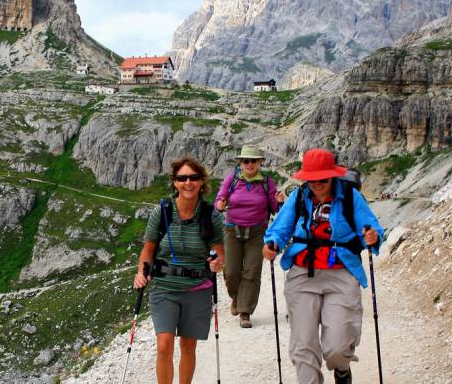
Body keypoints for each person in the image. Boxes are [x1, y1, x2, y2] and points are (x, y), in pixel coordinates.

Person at [262, 148, 384, 384]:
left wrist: (372, 237)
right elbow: (279, 228)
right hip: (302, 274)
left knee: (337, 347)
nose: (317, 184)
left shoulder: (350, 197)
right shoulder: (299, 196)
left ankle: (341, 369)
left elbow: (372, 227)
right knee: (303, 345)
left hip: (342, 273)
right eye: (312, 179)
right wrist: (272, 244)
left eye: (323, 179)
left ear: (333, 176)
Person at [133, 156, 226, 384]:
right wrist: (140, 272)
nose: (188, 183)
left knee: (187, 345)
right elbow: (148, 250)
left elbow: (218, 252)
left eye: (193, 178)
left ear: (201, 182)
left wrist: (217, 262)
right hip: (164, 287)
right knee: (164, 345)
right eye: (182, 178)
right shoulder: (162, 212)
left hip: (197, 288)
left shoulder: (210, 215)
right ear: (174, 182)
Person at [214, 144, 284, 328]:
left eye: (253, 160)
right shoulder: (233, 179)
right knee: (230, 271)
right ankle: (236, 298)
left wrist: (279, 201)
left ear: (260, 162)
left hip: (257, 232)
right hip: (232, 230)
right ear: (241, 162)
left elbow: (275, 208)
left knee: (252, 271)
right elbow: (219, 201)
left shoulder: (268, 182)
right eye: (246, 160)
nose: (249, 164)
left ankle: (245, 312)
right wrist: (220, 204)